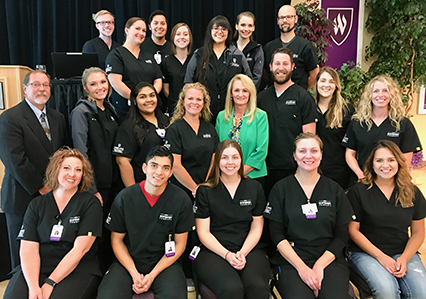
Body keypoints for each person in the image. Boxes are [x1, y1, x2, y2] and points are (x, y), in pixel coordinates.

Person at [3, 147, 103, 299]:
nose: (72, 174)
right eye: (66, 168)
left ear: (83, 175)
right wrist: (33, 286)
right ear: (56, 170)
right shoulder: (37, 204)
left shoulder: (90, 204)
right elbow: (28, 248)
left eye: (78, 170)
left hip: (77, 268)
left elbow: (80, 250)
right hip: (39, 264)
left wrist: (50, 282)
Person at [97, 146, 194, 299]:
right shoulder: (125, 198)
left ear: (170, 172)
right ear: (144, 168)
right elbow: (116, 241)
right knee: (106, 296)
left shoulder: (181, 200)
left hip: (165, 263)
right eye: (154, 166)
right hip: (129, 261)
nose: (159, 172)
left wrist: (152, 274)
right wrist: (134, 274)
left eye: (165, 168)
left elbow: (180, 244)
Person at [264, 133, 353, 299]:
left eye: (314, 150)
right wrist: (302, 268)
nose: (308, 156)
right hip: (291, 260)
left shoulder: (334, 190)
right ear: (294, 155)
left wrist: (319, 266)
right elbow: (276, 234)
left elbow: (342, 236)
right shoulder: (280, 189)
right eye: (302, 151)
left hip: (329, 259)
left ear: (321, 154)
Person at [0, 70, 69, 270]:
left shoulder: (57, 117)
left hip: (53, 196)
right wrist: (42, 186)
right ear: (25, 89)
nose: (41, 89)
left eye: (45, 85)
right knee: (22, 255)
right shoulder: (10, 118)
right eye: (36, 85)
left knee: (46, 251)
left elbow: (63, 153)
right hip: (22, 196)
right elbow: (14, 160)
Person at [347, 140, 426, 299]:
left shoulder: (412, 192)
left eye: (391, 160)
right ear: (372, 164)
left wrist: (404, 258)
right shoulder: (359, 192)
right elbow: (352, 231)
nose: (385, 165)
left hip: (401, 251)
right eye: (379, 160)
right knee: (387, 292)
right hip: (365, 253)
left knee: (421, 292)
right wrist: (381, 257)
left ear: (399, 162)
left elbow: (418, 232)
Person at [193, 140, 270, 299]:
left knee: (257, 287)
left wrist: (242, 252)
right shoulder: (205, 191)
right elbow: (203, 232)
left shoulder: (254, 188)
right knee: (231, 289)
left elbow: (257, 227)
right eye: (224, 157)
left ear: (241, 160)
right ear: (217, 161)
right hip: (213, 250)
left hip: (249, 248)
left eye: (235, 157)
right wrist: (227, 255)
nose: (230, 162)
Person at [69, 67, 119, 272]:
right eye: (93, 84)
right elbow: (81, 153)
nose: (100, 87)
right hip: (96, 187)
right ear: (85, 88)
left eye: (103, 82)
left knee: (111, 230)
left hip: (114, 183)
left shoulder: (110, 109)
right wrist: (92, 189)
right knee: (95, 234)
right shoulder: (80, 113)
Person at [257, 47, 317, 196]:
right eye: (277, 64)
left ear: (292, 67)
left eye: (285, 64)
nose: (281, 68)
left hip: (294, 170)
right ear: (270, 67)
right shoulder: (261, 98)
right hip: (265, 170)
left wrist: (301, 168)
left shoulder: (304, 98)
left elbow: (309, 138)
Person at [342, 75, 422, 185]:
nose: (380, 95)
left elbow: (405, 158)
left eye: (385, 90)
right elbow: (350, 154)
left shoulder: (403, 124)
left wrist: (394, 178)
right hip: (363, 180)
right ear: (369, 95)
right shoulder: (357, 123)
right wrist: (360, 175)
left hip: (391, 182)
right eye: (375, 91)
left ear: (392, 95)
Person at [184, 15, 252, 123]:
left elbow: (249, 83)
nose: (220, 32)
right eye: (216, 28)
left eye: (224, 29)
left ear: (229, 32)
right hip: (203, 114)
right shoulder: (199, 54)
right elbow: (188, 83)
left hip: (230, 114)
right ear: (210, 31)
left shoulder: (237, 55)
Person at [164, 82, 219, 198]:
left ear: (204, 103)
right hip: (181, 191)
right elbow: (175, 165)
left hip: (206, 189)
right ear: (183, 102)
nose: (194, 102)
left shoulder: (209, 128)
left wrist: (205, 186)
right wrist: (195, 188)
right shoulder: (175, 129)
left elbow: (214, 159)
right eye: (190, 98)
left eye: (199, 99)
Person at [113, 82, 169, 187]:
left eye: (152, 95)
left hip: (164, 185)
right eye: (142, 97)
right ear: (134, 101)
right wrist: (134, 192)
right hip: (142, 186)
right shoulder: (128, 127)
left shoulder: (166, 121)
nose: (149, 100)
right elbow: (122, 161)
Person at [215, 74, 268, 184]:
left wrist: (239, 173)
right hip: (225, 176)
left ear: (250, 93)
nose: (240, 94)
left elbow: (261, 151)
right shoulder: (221, 116)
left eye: (245, 91)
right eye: (237, 90)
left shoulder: (260, 116)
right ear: (231, 93)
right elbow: (217, 148)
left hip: (252, 177)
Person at [105, 17, 163, 120]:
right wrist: (136, 99)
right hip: (126, 111)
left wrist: (150, 98)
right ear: (126, 30)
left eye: (144, 30)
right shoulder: (116, 55)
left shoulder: (148, 56)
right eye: (137, 29)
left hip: (150, 111)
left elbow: (158, 79)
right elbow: (115, 82)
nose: (141, 33)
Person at [313, 66, 354, 189]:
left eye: (331, 81)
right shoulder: (308, 107)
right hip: (312, 170)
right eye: (323, 80)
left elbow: (352, 144)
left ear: (336, 85)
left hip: (339, 173)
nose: (327, 85)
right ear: (317, 83)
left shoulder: (347, 110)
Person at [263, 4, 319, 90]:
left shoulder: (305, 46)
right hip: (274, 98)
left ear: (295, 19)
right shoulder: (269, 47)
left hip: (298, 98)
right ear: (277, 21)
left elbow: (314, 74)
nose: (285, 20)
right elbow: (266, 74)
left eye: (289, 17)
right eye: (281, 18)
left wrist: (302, 92)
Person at [161, 23, 193, 116]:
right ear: (173, 38)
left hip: (193, 108)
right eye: (178, 34)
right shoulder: (166, 62)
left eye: (185, 34)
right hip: (174, 109)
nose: (182, 37)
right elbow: (166, 90)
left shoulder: (196, 60)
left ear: (190, 38)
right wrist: (179, 103)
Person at [233, 11, 264, 90]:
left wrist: (247, 92)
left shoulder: (257, 49)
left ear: (253, 28)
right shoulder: (229, 48)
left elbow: (257, 77)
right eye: (243, 25)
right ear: (237, 26)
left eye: (250, 26)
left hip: (249, 95)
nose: (246, 29)